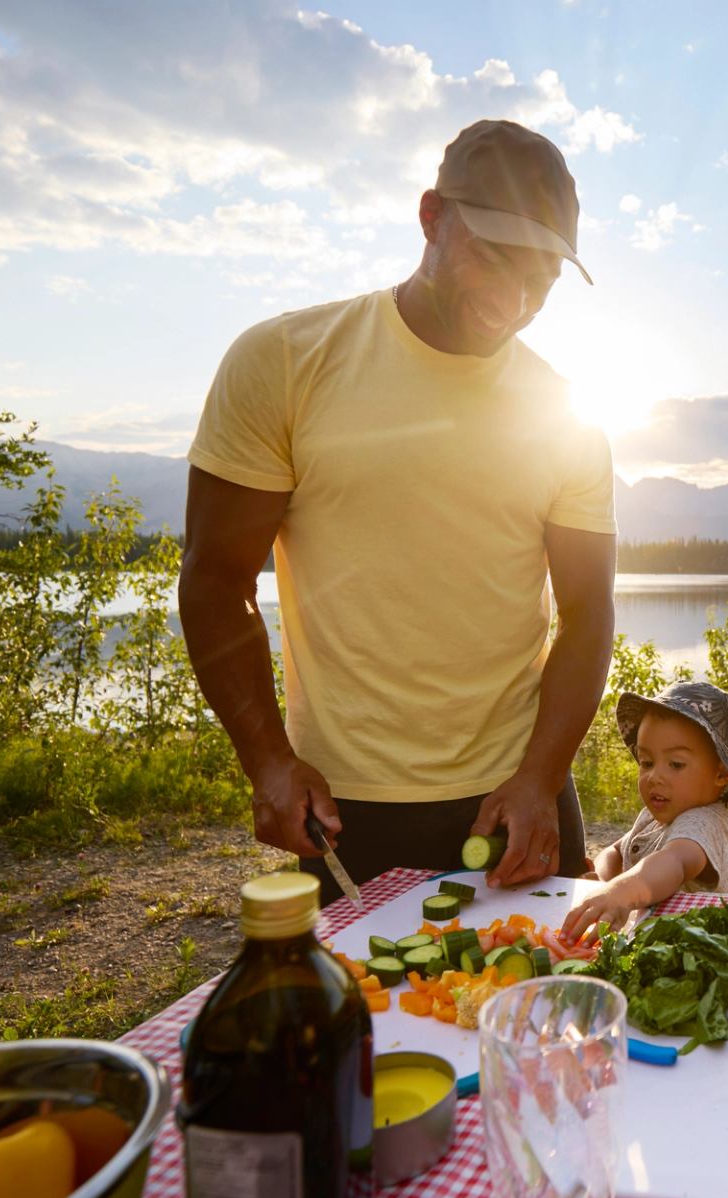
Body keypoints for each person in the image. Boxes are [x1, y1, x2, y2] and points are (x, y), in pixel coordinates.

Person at [179, 119, 616, 904]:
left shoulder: (566, 413)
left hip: (518, 798)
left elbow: (588, 613)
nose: (512, 301)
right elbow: (215, 579)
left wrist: (540, 779)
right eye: (495, 256)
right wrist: (269, 761)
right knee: (370, 1026)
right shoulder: (284, 362)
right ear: (431, 218)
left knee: (547, 1021)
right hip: (350, 813)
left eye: (541, 278)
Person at [560, 681, 728, 941]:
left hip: (704, 954)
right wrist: (602, 879)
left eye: (675, 764)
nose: (654, 777)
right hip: (662, 953)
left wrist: (621, 892)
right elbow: (617, 851)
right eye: (647, 762)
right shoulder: (653, 816)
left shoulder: (705, 822)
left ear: (722, 773)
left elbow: (674, 862)